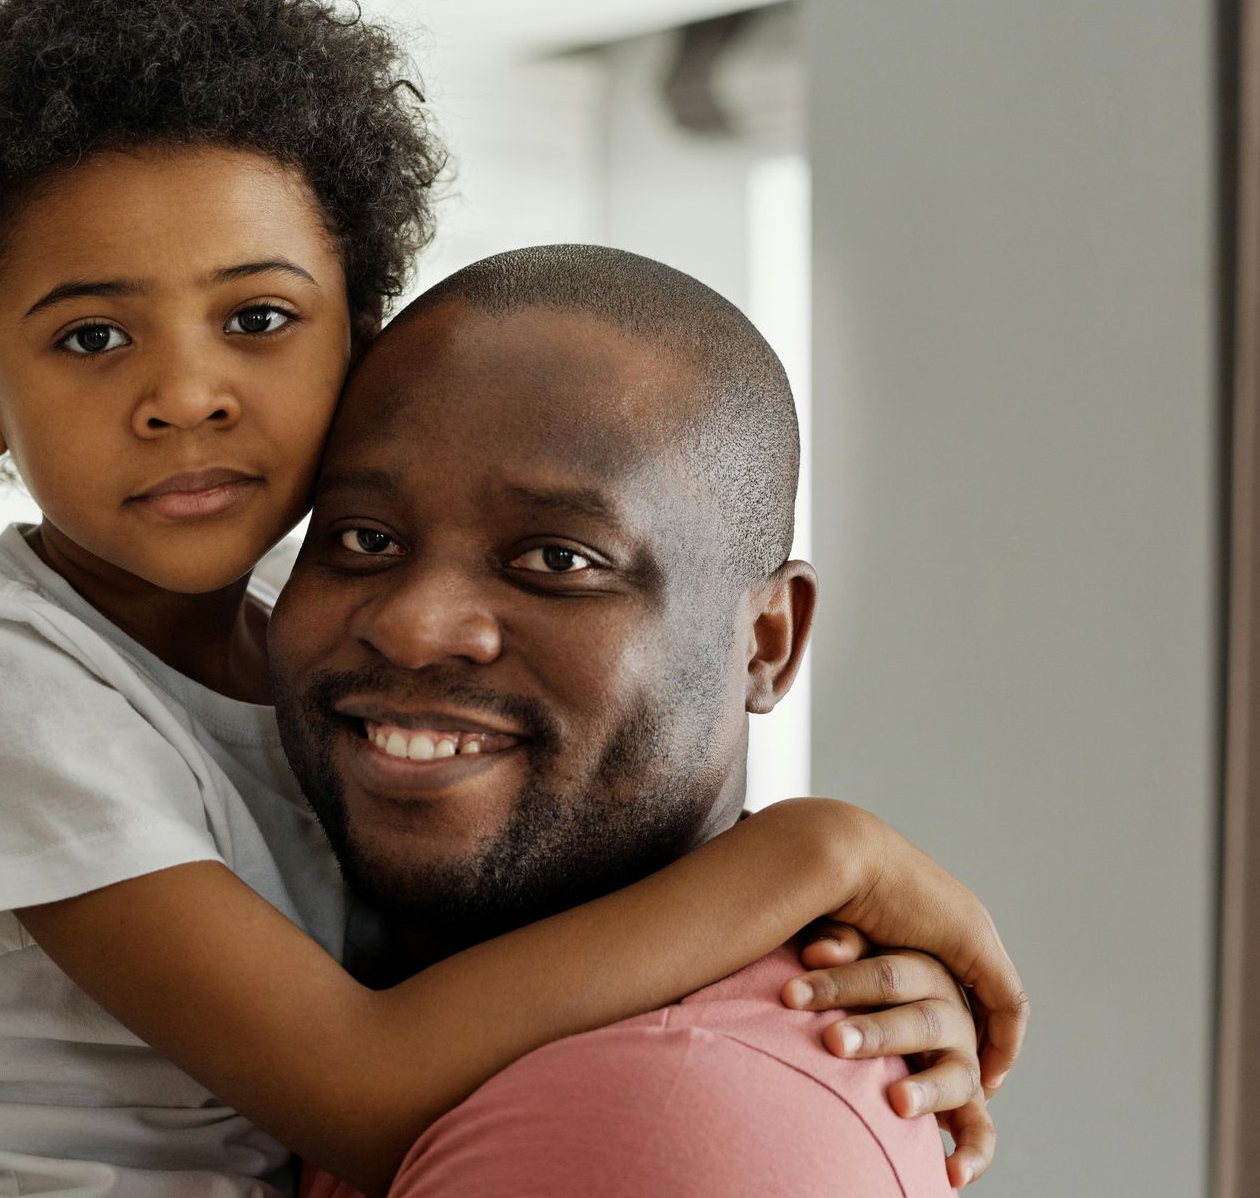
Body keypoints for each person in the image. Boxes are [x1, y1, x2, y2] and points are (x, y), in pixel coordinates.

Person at [0, 0, 1026, 1198]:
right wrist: (816, 860)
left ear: (357, 353)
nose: (185, 394)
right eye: (94, 336)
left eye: (257, 319)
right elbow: (359, 1089)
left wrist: (828, 972)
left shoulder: (299, 626)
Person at [272, 244, 992, 1196]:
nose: (412, 626)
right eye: (364, 539)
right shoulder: (250, 869)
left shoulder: (649, 1120)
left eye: (561, 559)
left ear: (767, 639)